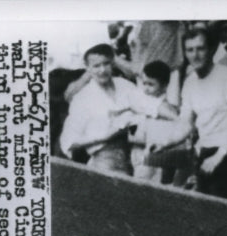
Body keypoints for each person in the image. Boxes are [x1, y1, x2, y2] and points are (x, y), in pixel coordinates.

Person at [150, 27, 227, 200]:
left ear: (211, 49)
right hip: (206, 156)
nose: (195, 55)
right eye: (190, 50)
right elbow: (186, 124)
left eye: (200, 48)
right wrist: (165, 143)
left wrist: (219, 156)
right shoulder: (189, 83)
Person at [59, 43, 164, 175]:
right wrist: (105, 136)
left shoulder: (126, 86)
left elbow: (151, 106)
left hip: (137, 152)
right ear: (88, 68)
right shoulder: (82, 98)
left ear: (112, 64)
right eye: (96, 66)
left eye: (106, 63)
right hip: (105, 158)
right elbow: (69, 141)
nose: (102, 70)